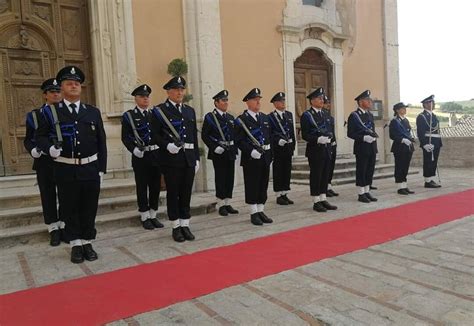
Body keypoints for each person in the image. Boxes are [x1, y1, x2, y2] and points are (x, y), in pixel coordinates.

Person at [36, 66, 107, 263]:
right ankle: (75, 244)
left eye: (77, 83)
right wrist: (49, 148)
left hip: (90, 168)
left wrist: (102, 168)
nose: (74, 85)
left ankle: (87, 241)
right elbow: (39, 136)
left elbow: (101, 141)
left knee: (89, 206)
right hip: (65, 168)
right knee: (69, 207)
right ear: (62, 87)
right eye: (69, 83)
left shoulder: (92, 112)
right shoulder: (51, 113)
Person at [150, 76, 200, 242]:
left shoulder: (189, 111)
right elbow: (154, 135)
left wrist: (196, 158)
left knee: (186, 193)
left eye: (182, 89)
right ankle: (175, 226)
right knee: (173, 193)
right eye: (176, 89)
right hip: (171, 160)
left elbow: (193, 135)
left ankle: (185, 224)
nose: (180, 92)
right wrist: (167, 146)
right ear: (168, 91)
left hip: (188, 159)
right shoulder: (160, 111)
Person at [24, 78, 63, 246]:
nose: (56, 94)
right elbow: (28, 139)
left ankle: (64, 223)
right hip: (44, 162)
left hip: (64, 161)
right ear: (45, 95)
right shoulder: (35, 115)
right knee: (47, 195)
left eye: (58, 91)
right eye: (52, 91)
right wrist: (33, 150)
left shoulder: (66, 113)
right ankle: (53, 228)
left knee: (65, 194)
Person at [121, 84, 164, 230]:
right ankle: (144, 215)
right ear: (136, 99)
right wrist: (133, 149)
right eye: (142, 96)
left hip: (156, 155)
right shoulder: (129, 116)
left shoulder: (156, 115)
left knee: (155, 186)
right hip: (141, 156)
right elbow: (126, 137)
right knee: (142, 186)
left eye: (147, 96)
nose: (145, 99)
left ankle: (153, 214)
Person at [235, 88, 273, 226]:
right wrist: (251, 151)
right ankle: (253, 212)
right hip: (251, 158)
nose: (258, 102)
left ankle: (261, 210)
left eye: (259, 99)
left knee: (263, 185)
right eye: (255, 99)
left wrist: (270, 155)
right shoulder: (242, 120)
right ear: (248, 102)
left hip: (265, 156)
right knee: (252, 185)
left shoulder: (264, 117)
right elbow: (239, 140)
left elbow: (269, 138)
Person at [201, 90, 239, 216]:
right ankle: (221, 203)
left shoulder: (230, 118)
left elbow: (234, 135)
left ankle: (227, 203)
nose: (226, 102)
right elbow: (205, 135)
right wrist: (214, 147)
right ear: (216, 103)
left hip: (230, 152)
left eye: (226, 100)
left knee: (230, 178)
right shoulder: (210, 117)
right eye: (223, 100)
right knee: (220, 178)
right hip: (219, 152)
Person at [300, 87, 337, 212]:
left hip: (326, 149)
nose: (322, 100)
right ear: (312, 101)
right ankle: (316, 201)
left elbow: (329, 131)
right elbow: (305, 135)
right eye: (319, 98)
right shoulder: (307, 115)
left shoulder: (325, 114)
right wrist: (317, 139)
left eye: (322, 98)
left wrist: (330, 141)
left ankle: (323, 198)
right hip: (315, 150)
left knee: (325, 174)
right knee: (316, 175)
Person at [347, 90, 378, 203]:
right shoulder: (354, 116)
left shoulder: (369, 114)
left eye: (370, 100)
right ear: (360, 102)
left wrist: (373, 138)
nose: (370, 102)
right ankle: (361, 193)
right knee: (362, 169)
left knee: (370, 169)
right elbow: (350, 133)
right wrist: (363, 138)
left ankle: (367, 191)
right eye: (367, 100)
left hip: (372, 146)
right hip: (361, 147)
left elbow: (372, 130)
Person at [268, 92, 296, 205]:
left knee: (286, 171)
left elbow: (292, 132)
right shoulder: (270, 117)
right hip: (278, 149)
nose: (283, 103)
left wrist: (293, 146)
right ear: (275, 103)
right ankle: (278, 194)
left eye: (283, 101)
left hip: (287, 148)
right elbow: (270, 133)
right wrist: (277, 141)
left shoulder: (288, 115)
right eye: (280, 101)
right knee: (278, 171)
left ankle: (285, 193)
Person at [389, 102, 416, 195]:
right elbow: (392, 135)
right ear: (397, 110)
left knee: (405, 167)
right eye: (402, 108)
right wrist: (402, 140)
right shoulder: (394, 121)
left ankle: (404, 185)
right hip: (399, 147)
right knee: (400, 167)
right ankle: (400, 187)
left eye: (405, 108)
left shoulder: (405, 120)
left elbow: (408, 132)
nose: (405, 110)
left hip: (408, 147)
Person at [416, 95, 442, 188]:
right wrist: (424, 144)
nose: (433, 104)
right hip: (429, 141)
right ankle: (427, 180)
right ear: (426, 104)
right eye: (431, 103)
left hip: (436, 141)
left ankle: (431, 178)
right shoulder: (422, 116)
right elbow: (420, 132)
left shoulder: (433, 115)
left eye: (433, 103)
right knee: (428, 161)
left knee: (434, 161)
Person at [322, 95, 339, 197]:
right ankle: (324, 188)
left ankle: (329, 186)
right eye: (326, 103)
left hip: (332, 144)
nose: (328, 105)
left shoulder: (330, 117)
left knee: (331, 166)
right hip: (325, 144)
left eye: (328, 103)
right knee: (326, 167)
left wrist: (334, 142)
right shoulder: (322, 116)